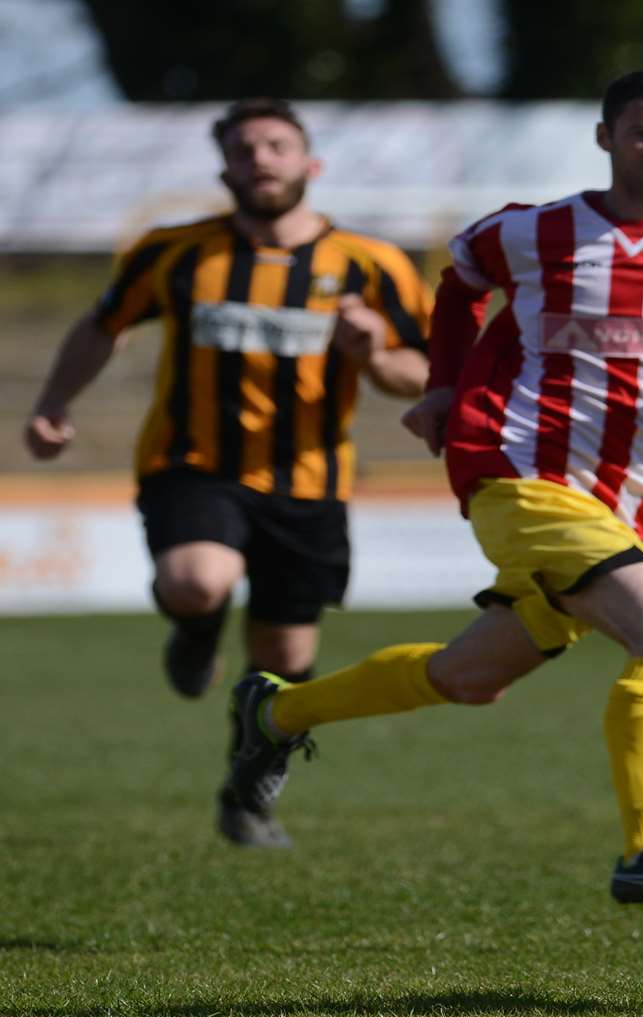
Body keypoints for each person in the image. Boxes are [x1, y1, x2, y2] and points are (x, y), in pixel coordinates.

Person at [216, 71, 643, 905]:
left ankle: (277, 715)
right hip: (519, 471)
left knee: (472, 677)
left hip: (637, 504)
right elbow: (461, 283)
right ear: (606, 138)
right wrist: (441, 385)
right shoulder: (532, 232)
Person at [22, 97, 429, 699]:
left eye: (276, 147)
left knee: (281, 660)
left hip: (309, 478)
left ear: (310, 166)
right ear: (224, 173)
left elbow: (423, 371)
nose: (260, 160)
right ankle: (195, 627)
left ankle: (249, 785)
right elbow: (104, 325)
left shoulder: (373, 265)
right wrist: (54, 401)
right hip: (193, 463)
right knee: (196, 582)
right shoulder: (174, 251)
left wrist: (370, 354)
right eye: (243, 151)